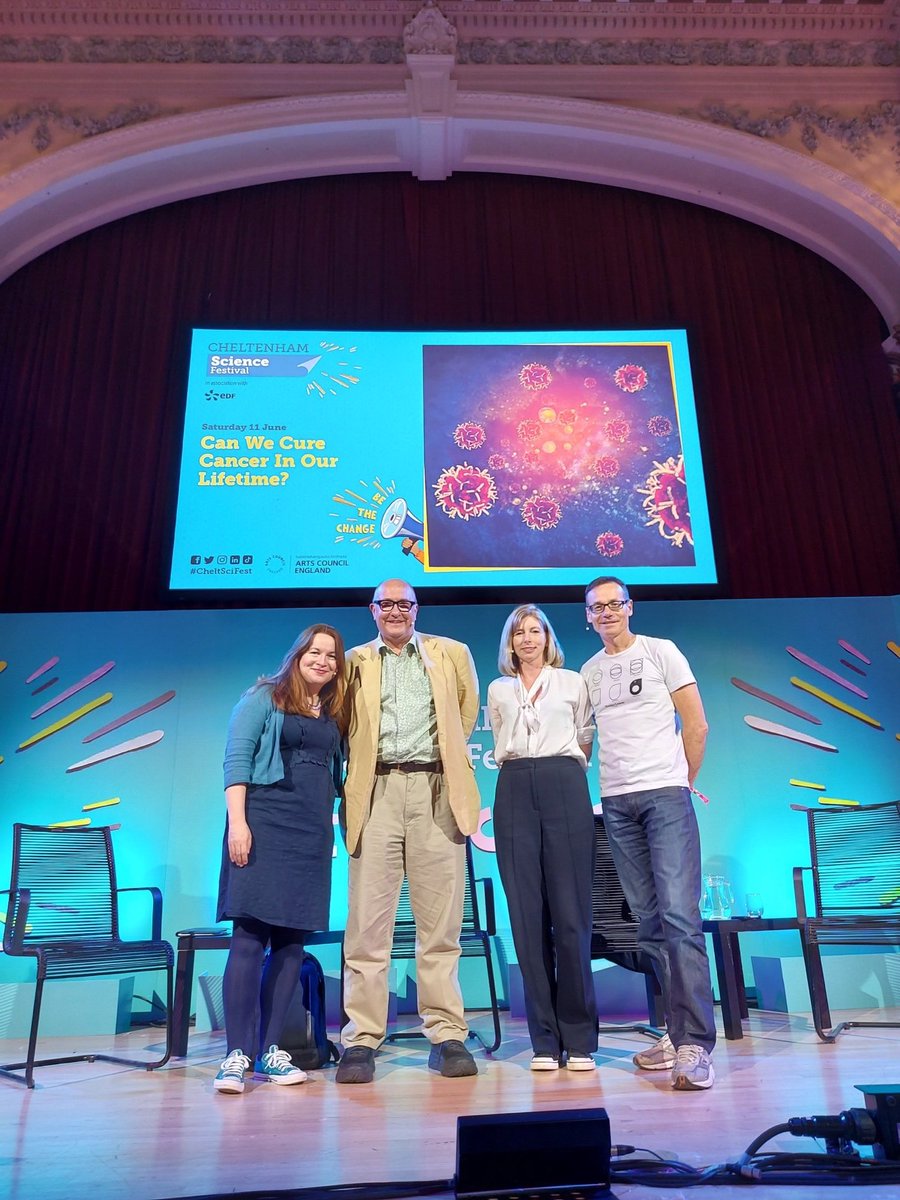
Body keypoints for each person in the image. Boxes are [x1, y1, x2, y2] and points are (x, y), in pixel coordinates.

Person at [336, 578, 481, 1083]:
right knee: (367, 926)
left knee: (440, 926)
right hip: (374, 793)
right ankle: (361, 1039)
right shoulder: (352, 661)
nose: (396, 611)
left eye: (405, 603)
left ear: (417, 609)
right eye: (387, 604)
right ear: (371, 610)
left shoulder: (451, 653)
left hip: (436, 790)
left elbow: (466, 715)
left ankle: (446, 1034)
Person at [580, 576, 716, 1090]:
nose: (607, 612)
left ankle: (695, 1046)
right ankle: (675, 1032)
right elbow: (585, 741)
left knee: (681, 920)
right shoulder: (590, 671)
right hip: (616, 804)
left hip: (665, 797)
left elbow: (696, 726)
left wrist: (681, 784)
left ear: (630, 607)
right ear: (587, 616)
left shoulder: (662, 652)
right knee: (650, 925)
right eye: (598, 607)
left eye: (615, 603)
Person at [213, 624, 347, 1094]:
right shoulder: (264, 696)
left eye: (331, 655)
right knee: (249, 939)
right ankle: (235, 1054)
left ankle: (270, 1050)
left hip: (310, 835)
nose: (322, 661)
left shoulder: (332, 709)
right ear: (298, 654)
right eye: (315, 651)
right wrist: (238, 824)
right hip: (263, 823)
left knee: (292, 945)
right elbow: (236, 759)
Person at [487, 604, 598, 1071]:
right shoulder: (498, 688)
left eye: (536, 631)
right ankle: (544, 1042)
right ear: (510, 643)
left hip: (564, 780)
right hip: (513, 784)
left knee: (571, 915)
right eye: (519, 633)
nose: (528, 639)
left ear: (549, 638)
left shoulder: (573, 681)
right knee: (526, 917)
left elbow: (586, 735)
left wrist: (561, 767)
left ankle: (579, 1040)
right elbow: (498, 736)